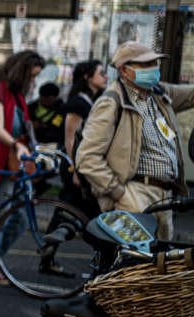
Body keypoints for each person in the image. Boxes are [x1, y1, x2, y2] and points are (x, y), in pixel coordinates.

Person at [77, 43, 194, 242]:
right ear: (124, 70)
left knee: (159, 258)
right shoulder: (111, 102)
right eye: (145, 64)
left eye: (155, 63)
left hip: (165, 196)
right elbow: (87, 157)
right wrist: (119, 192)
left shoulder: (159, 94)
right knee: (133, 258)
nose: (153, 68)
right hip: (135, 194)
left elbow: (191, 95)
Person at [0, 50, 45, 284]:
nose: (33, 82)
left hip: (15, 159)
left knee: (19, 218)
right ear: (21, 72)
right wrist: (17, 145)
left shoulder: (18, 96)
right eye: (31, 76)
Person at [60, 60, 107, 219]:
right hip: (74, 163)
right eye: (101, 73)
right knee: (70, 208)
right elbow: (70, 139)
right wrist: (75, 170)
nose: (105, 77)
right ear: (87, 77)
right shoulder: (78, 103)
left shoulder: (94, 100)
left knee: (81, 210)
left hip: (85, 161)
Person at [30, 82, 65, 146]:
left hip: (52, 144)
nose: (46, 101)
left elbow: (56, 128)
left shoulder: (61, 110)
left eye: (49, 99)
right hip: (33, 142)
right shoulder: (31, 107)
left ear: (56, 97)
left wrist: (41, 126)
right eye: (44, 98)